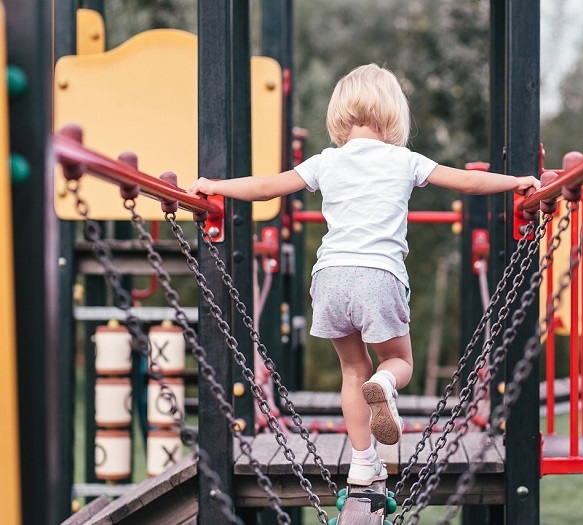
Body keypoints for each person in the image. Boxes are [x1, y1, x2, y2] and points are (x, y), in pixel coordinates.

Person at [188, 63, 541, 486]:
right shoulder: (404, 160)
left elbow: (266, 187)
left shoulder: (326, 162)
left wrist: (215, 186)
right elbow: (466, 182)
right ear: (394, 114)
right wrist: (517, 182)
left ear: (339, 114)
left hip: (330, 278)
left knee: (352, 371)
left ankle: (362, 462)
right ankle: (386, 383)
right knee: (398, 361)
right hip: (378, 276)